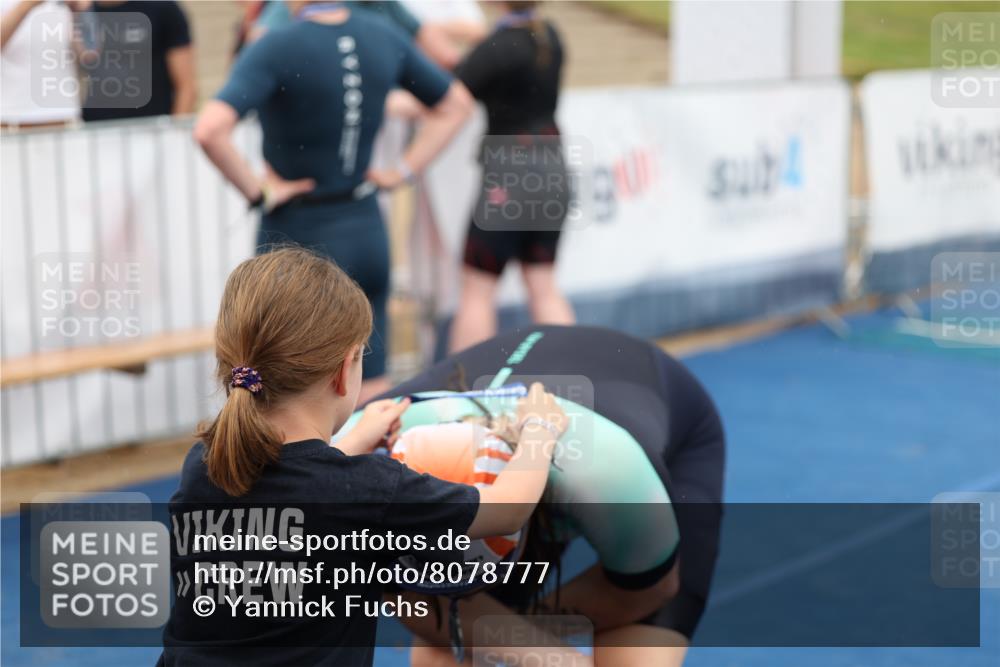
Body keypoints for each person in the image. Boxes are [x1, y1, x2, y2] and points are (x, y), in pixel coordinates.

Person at [159, 247, 568, 666]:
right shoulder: (369, 489)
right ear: (344, 370)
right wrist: (539, 429)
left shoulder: (205, 464)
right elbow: (509, 510)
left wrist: (356, 439)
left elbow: (300, 489)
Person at [342, 325, 725, 666]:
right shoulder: (358, 450)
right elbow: (414, 598)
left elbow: (644, 593)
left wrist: (530, 644)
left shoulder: (611, 477)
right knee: (450, 646)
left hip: (661, 411)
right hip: (517, 405)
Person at [194, 0, 474, 402]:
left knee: (272, 387)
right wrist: (402, 172)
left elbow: (209, 130)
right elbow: (456, 105)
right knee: (370, 387)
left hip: (296, 239)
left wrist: (260, 192)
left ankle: (290, 468)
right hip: (365, 231)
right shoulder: (382, 33)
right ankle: (367, 465)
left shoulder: (277, 45)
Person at [448, 1, 575, 353]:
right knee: (543, 284)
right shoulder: (550, 37)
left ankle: (463, 393)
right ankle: (573, 376)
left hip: (510, 174)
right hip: (552, 169)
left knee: (478, 289)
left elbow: (449, 97)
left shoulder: (496, 47)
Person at [248, 0, 464, 69]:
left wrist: (464, 67)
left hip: (391, 103)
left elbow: (423, 32)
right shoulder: (300, 4)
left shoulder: (383, 4)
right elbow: (259, 41)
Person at [80, 0, 196, 121]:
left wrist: (174, 131)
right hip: (97, 126)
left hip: (154, 125)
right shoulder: (80, 14)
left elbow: (186, 87)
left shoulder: (161, 7)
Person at [0, 0, 94, 128]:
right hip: (10, 121)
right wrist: (27, 5)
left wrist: (79, 14)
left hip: (64, 120)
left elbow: (88, 57)